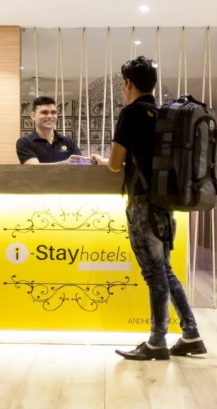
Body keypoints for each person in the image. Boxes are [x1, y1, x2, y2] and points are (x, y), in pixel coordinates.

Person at [90, 56, 206, 361]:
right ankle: (191, 334)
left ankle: (157, 342)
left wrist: (107, 161)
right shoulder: (164, 114)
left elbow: (115, 164)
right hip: (164, 205)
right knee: (164, 270)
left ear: (127, 83)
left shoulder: (131, 113)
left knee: (155, 274)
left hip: (143, 206)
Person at [16, 96, 87, 164]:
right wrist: (65, 163)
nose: (50, 116)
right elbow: (35, 167)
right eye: (44, 112)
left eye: (53, 113)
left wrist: (92, 161)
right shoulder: (24, 142)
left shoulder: (68, 141)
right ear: (33, 116)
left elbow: (80, 164)